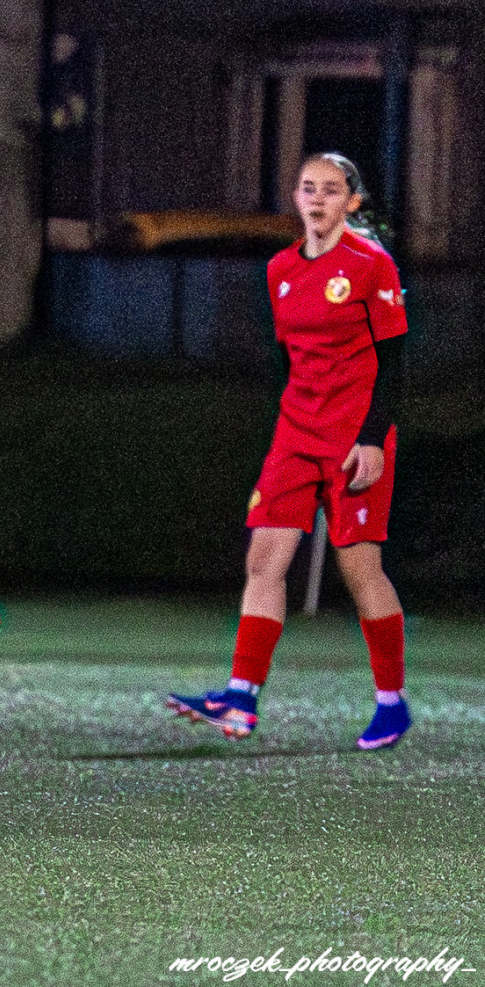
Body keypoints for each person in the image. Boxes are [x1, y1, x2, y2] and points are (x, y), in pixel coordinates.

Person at [167, 152, 411, 750]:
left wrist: (373, 439)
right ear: (296, 197)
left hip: (353, 437)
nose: (317, 198)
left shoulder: (371, 264)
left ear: (351, 201)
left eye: (330, 189)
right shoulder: (280, 268)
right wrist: (294, 421)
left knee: (360, 570)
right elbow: (293, 360)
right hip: (296, 435)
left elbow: (393, 362)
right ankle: (241, 698)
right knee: (263, 561)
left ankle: (391, 703)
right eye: (308, 188)